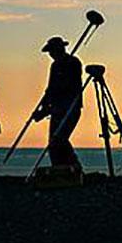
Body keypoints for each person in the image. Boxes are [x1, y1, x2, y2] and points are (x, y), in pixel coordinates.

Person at [32, 36, 83, 170]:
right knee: (54, 142)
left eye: (52, 51)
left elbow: (68, 88)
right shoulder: (55, 66)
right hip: (56, 109)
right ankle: (59, 169)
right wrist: (43, 107)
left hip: (70, 108)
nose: (51, 54)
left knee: (59, 139)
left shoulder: (73, 63)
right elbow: (50, 89)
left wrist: (46, 110)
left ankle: (74, 167)